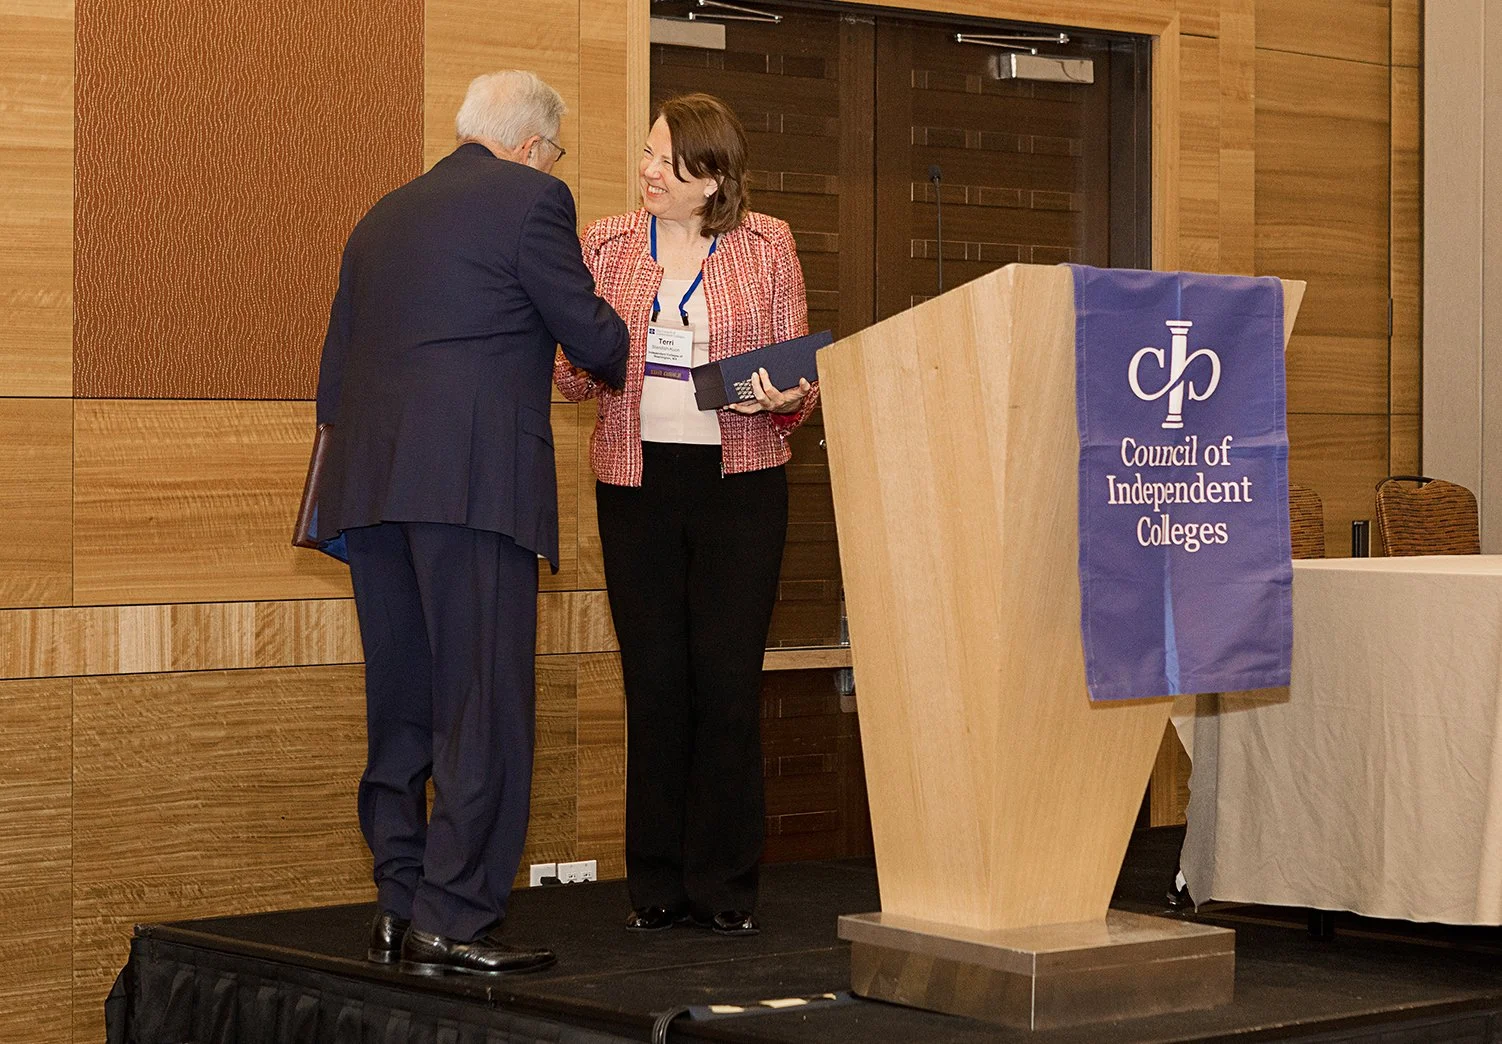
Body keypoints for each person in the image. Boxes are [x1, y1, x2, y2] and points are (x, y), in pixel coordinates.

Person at [313, 70, 629, 975]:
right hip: (473, 489)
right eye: (556, 151)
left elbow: (334, 375)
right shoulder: (534, 202)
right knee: (481, 702)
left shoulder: (381, 216)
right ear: (533, 144)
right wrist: (620, 318)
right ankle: (454, 916)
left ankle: (398, 899)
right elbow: (594, 340)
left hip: (372, 493)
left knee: (403, 698)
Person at [554, 92, 817, 937]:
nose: (647, 171)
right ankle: (657, 884)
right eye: (645, 154)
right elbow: (567, 374)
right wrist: (587, 356)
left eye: (665, 160)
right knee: (657, 681)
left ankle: (726, 884)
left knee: (728, 684)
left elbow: (797, 377)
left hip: (741, 481)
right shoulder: (606, 242)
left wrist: (791, 394)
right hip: (635, 481)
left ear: (709, 177)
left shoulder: (767, 242)